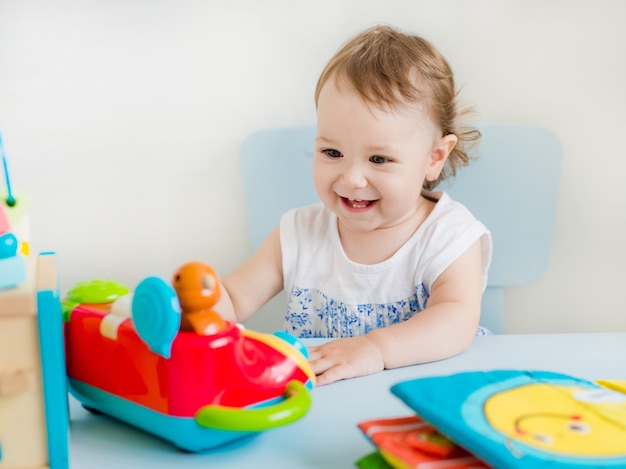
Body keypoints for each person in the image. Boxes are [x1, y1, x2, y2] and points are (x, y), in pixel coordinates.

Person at [216, 24, 492, 386]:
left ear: (434, 157)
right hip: (319, 403)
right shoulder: (299, 233)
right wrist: (191, 309)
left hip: (419, 401)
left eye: (379, 159)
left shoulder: (450, 237)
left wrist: (375, 349)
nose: (351, 179)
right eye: (332, 152)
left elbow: (456, 321)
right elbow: (234, 299)